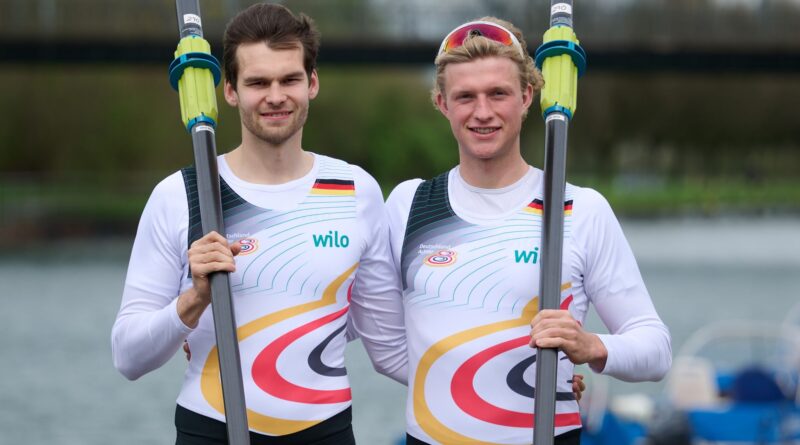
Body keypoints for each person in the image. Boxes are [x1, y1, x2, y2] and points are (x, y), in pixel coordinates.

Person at [111, 3, 406, 444]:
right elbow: (128, 356)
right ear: (229, 90)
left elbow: (390, 349)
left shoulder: (356, 191)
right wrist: (193, 301)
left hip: (326, 431)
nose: (275, 95)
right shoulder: (181, 195)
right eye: (257, 82)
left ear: (313, 83)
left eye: (289, 79)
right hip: (211, 430)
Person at [383, 17, 672, 444]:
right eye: (466, 97)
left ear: (527, 96)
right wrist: (480, 385)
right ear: (443, 103)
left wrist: (590, 346)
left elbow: (656, 349)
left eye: (498, 93)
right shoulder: (407, 205)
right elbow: (376, 337)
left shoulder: (580, 209)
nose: (483, 112)